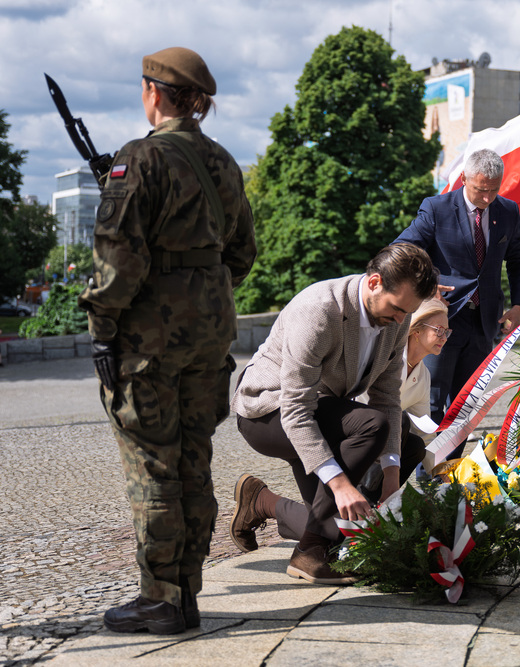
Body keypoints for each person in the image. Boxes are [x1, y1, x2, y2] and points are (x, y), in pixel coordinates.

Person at [77, 47, 256, 635]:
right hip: (210, 339)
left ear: (154, 92)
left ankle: (161, 597)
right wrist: (200, 289)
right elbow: (242, 254)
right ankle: (188, 591)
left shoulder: (142, 159)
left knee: (154, 464)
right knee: (193, 461)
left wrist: (102, 330)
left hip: (149, 341)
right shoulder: (225, 164)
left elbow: (118, 260)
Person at [229, 244, 439, 584]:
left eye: (408, 312)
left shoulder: (397, 319)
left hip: (319, 408)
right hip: (267, 411)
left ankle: (262, 502)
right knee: (373, 426)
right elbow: (296, 410)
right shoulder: (319, 309)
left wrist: (390, 478)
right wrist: (340, 485)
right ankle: (308, 554)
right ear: (374, 283)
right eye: (398, 308)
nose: (402, 321)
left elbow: (387, 395)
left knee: (347, 527)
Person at [393, 149, 520, 458]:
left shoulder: (507, 211)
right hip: (441, 321)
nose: (487, 197)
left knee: (467, 404)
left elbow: (518, 259)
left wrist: (519, 304)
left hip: (484, 323)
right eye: (481, 189)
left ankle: (449, 474)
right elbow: (402, 248)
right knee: (432, 402)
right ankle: (425, 472)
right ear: (464, 178)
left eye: (495, 189)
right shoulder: (437, 208)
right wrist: (426, 282)